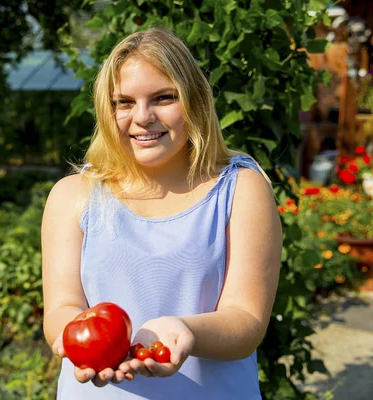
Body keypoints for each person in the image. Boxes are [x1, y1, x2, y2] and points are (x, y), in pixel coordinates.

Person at [41, 27, 282, 399]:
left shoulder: (241, 190)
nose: (142, 117)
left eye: (163, 98)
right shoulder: (73, 195)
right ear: (107, 109)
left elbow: (247, 322)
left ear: (194, 101)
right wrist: (75, 337)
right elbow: (61, 307)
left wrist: (186, 331)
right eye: (124, 102)